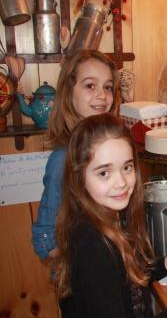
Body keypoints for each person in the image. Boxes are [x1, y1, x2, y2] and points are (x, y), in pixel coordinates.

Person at [54, 113, 167, 317]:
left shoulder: (113, 216)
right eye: (104, 173)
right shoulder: (90, 246)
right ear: (78, 178)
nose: (121, 182)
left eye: (127, 167)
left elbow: (125, 281)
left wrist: (162, 265)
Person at [32, 50, 121, 260]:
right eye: (90, 85)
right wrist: (87, 257)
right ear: (69, 92)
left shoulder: (109, 149)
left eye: (108, 87)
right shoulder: (63, 160)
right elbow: (45, 241)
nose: (102, 95)